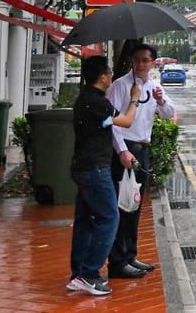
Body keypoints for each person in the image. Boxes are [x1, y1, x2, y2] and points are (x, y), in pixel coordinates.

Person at [69, 56, 140, 296]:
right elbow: (128, 121)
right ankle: (89, 274)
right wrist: (134, 99)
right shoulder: (97, 101)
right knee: (109, 218)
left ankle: (78, 273)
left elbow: (109, 124)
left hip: (83, 167)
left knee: (85, 221)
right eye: (109, 72)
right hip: (94, 170)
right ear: (102, 77)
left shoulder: (84, 99)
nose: (111, 76)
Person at [106, 43, 177, 279]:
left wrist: (161, 101)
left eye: (145, 60)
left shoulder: (154, 86)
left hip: (142, 151)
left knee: (135, 205)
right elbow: (112, 122)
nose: (140, 64)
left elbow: (169, 114)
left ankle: (130, 256)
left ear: (153, 62)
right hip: (126, 152)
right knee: (121, 205)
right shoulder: (120, 86)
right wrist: (122, 151)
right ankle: (117, 261)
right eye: (136, 60)